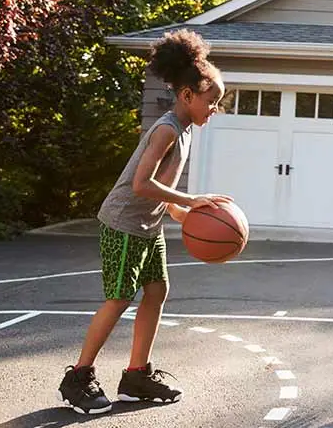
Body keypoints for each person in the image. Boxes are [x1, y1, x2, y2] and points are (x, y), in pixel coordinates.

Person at [58, 29, 231, 414]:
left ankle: (136, 376)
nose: (214, 109)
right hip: (123, 222)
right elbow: (141, 183)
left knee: (156, 291)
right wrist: (191, 198)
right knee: (119, 298)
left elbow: (161, 189)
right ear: (188, 94)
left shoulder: (184, 132)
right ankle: (78, 378)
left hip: (148, 226)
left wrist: (185, 212)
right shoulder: (168, 128)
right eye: (211, 100)